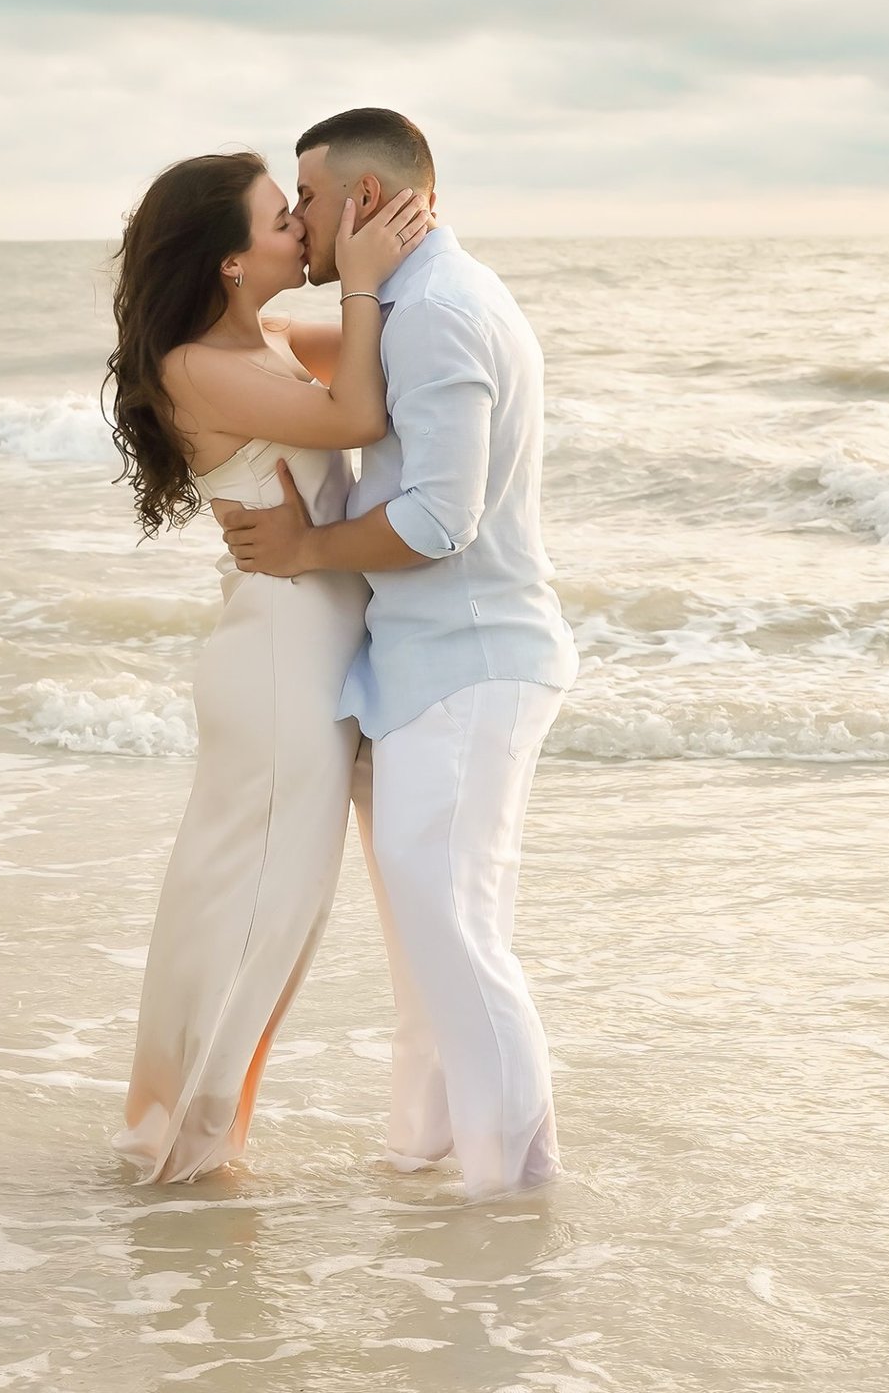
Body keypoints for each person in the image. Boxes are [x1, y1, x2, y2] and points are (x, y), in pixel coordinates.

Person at [219, 108, 579, 1201]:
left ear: (365, 201)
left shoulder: (439, 314)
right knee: (435, 938)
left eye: (311, 199)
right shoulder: (416, 302)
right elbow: (308, 374)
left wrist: (303, 547)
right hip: (425, 666)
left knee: (455, 933)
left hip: (468, 664)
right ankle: (429, 1155)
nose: (301, 219)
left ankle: (517, 1185)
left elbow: (437, 522)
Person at [104, 148, 430, 1183]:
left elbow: (411, 348)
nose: (299, 225)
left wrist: (406, 255)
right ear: (229, 264)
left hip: (300, 649)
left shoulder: (274, 337)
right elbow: (358, 416)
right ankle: (187, 1150)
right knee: (255, 905)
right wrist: (369, 275)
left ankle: (195, 1135)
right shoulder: (195, 365)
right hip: (281, 661)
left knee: (273, 905)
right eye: (276, 217)